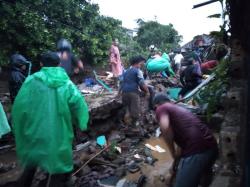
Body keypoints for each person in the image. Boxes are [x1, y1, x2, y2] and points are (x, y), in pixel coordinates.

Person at [12, 51, 89, 187]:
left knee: (33, 159)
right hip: (59, 130)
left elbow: (20, 105)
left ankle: (23, 183)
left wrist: (20, 125)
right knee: (58, 162)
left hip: (35, 128)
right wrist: (81, 122)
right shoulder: (66, 83)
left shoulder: (31, 81)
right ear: (59, 64)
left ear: (41, 64)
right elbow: (78, 104)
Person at [153, 93, 218, 187]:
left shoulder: (161, 108)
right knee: (204, 179)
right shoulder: (179, 109)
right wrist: (174, 164)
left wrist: (172, 152)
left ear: (156, 105)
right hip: (212, 147)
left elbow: (165, 128)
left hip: (197, 150)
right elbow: (181, 147)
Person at [120, 55, 149, 126]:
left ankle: (127, 121)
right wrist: (147, 91)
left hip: (124, 93)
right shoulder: (138, 71)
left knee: (127, 109)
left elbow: (121, 83)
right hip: (133, 92)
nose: (141, 66)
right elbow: (141, 83)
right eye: (141, 64)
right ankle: (134, 126)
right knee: (135, 111)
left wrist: (118, 94)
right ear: (137, 63)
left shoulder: (125, 72)